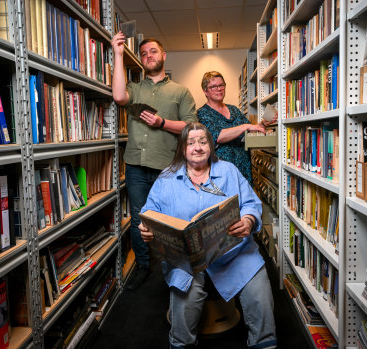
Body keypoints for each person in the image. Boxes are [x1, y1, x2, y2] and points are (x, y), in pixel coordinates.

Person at [139, 122, 277, 349]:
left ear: (210, 146)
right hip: (188, 261)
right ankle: (180, 344)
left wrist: (248, 220)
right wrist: (147, 228)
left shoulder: (229, 170)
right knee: (184, 300)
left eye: (203, 142)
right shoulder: (167, 178)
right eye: (191, 143)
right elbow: (149, 211)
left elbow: (251, 203)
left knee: (260, 294)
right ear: (182, 148)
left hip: (234, 253)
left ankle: (264, 344)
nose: (197, 148)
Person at [111, 32, 198, 291]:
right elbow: (118, 97)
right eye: (144, 53)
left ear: (164, 56)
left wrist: (162, 122)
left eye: (153, 51)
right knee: (140, 219)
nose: (149, 56)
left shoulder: (180, 91)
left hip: (168, 167)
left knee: (172, 219)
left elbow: (190, 126)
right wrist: (117, 53)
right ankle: (143, 265)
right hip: (136, 165)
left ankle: (174, 268)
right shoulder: (135, 89)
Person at [197, 71, 274, 185]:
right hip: (221, 171)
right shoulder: (202, 113)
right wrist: (245, 126)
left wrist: (261, 125)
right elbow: (218, 136)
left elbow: (249, 130)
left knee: (244, 201)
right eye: (213, 87)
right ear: (205, 91)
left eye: (221, 85)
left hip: (243, 167)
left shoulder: (233, 110)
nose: (219, 89)